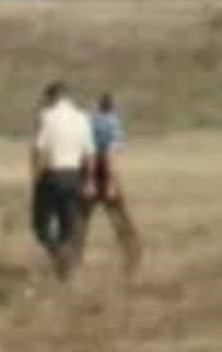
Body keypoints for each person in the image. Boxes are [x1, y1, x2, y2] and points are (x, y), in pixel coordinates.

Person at [30, 80, 95, 279]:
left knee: (40, 225)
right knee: (68, 225)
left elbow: (38, 149)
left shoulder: (47, 117)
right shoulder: (82, 118)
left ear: (51, 97)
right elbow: (89, 154)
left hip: (52, 174)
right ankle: (65, 263)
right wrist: (89, 180)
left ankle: (58, 255)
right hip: (75, 175)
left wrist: (35, 177)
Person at [83, 93, 142, 274]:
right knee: (120, 218)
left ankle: (70, 258)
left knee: (81, 220)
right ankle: (132, 255)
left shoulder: (90, 121)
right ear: (113, 107)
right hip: (104, 170)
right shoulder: (112, 123)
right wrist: (110, 182)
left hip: (87, 170)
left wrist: (88, 179)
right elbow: (110, 155)